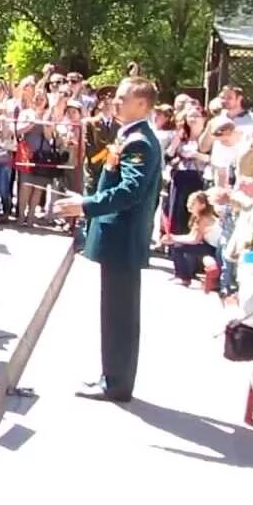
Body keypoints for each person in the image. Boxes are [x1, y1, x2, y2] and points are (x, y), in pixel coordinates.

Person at [55, 76, 163, 403]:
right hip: (119, 240)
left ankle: (116, 383)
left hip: (122, 240)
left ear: (142, 104)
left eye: (122, 98)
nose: (114, 103)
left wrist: (86, 205)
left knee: (119, 316)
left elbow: (130, 191)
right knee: (116, 313)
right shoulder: (130, 136)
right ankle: (113, 377)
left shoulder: (140, 141)